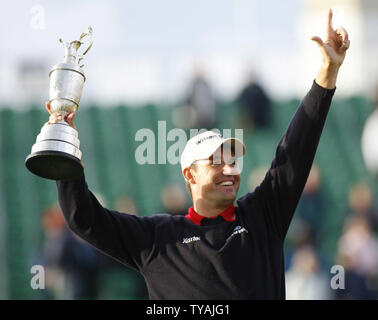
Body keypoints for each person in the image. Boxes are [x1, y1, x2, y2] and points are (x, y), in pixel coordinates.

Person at [48, 10, 349, 299]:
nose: (229, 169)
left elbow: (296, 151)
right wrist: (65, 144)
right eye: (216, 161)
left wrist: (327, 73)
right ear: (190, 175)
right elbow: (83, 218)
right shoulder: (157, 238)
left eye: (232, 161)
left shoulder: (262, 216)